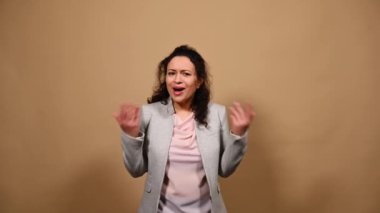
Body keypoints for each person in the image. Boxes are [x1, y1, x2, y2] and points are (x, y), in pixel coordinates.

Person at [113, 45, 255, 213]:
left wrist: (238, 133)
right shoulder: (149, 114)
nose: (177, 80)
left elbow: (225, 169)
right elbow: (136, 170)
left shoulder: (217, 114)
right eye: (171, 73)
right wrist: (131, 135)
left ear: (199, 81)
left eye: (186, 74)